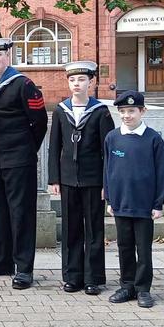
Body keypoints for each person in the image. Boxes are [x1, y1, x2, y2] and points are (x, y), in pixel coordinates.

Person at [0, 39, 48, 289]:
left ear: (8, 56)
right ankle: (2, 261)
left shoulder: (23, 85)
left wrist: (26, 149)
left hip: (18, 159)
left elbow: (39, 122)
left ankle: (24, 267)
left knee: (21, 213)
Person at [47, 61, 115, 295]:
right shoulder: (60, 110)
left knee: (94, 229)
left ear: (91, 82)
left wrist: (107, 183)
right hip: (68, 179)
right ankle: (72, 276)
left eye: (82, 80)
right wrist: (54, 178)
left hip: (94, 180)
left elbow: (108, 151)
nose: (77, 84)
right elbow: (54, 146)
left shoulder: (100, 112)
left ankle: (93, 277)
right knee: (70, 228)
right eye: (72, 80)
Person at [103, 91, 164, 308]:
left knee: (143, 248)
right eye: (122, 111)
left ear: (142, 111)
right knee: (124, 246)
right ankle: (127, 285)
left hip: (144, 205)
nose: (127, 115)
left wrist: (158, 203)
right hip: (121, 203)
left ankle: (143, 288)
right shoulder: (113, 137)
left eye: (131, 111)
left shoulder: (153, 139)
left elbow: (161, 173)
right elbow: (108, 170)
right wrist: (110, 199)